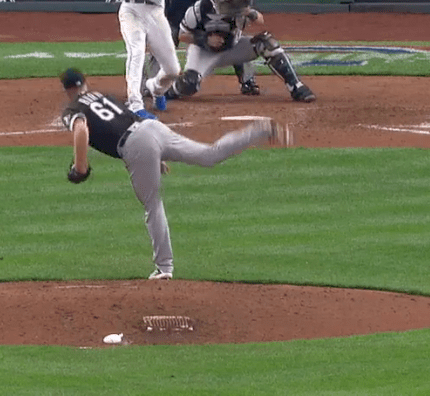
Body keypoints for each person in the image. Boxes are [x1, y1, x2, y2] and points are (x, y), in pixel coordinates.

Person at [58, 68, 291, 281]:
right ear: (85, 82)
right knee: (209, 155)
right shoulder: (101, 96)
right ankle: (260, 130)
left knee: (152, 204)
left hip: (137, 145)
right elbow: (124, 120)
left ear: (67, 89)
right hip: (152, 128)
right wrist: (155, 156)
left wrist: (80, 167)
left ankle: (164, 267)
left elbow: (81, 129)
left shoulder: (72, 109)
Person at [166, 0, 316, 104]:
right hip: (203, 52)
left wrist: (249, 12)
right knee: (189, 83)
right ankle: (167, 89)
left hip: (232, 48)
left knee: (267, 42)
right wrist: (205, 39)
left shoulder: (239, 9)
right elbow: (182, 35)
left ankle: (296, 86)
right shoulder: (198, 9)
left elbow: (260, 20)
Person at [118, 0, 186, 119]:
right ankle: (135, 104)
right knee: (136, 52)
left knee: (173, 69)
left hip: (155, 12)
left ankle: (156, 89)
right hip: (130, 9)